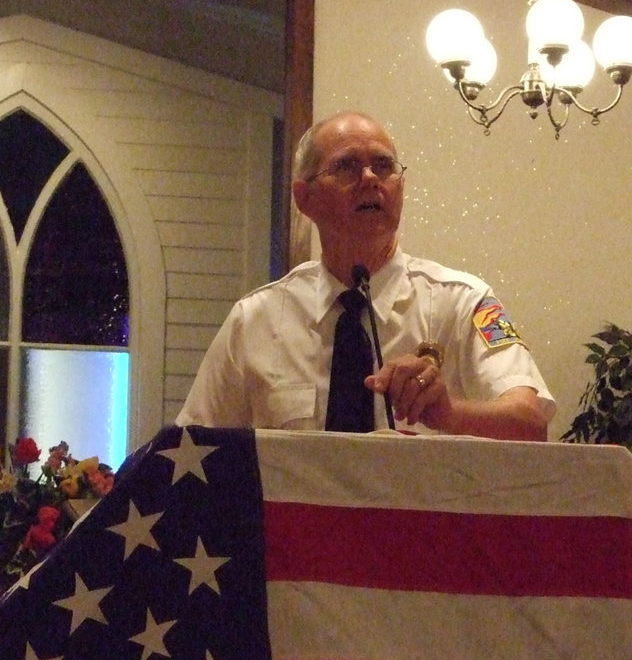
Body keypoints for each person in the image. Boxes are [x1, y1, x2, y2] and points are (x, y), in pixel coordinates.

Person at [175, 111, 555, 441]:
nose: (371, 178)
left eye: (384, 166)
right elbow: (190, 451)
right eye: (346, 166)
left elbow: (531, 422)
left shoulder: (463, 302)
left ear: (401, 188)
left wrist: (449, 414)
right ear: (304, 199)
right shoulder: (255, 320)